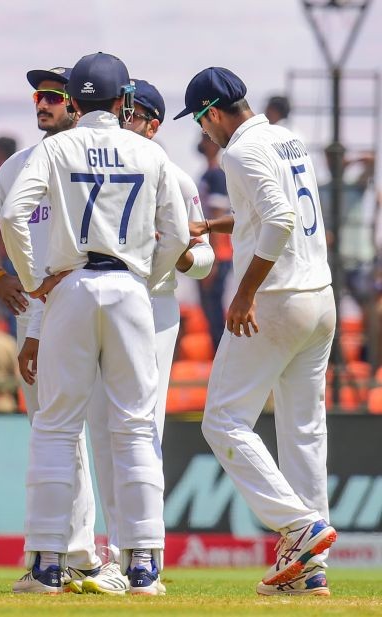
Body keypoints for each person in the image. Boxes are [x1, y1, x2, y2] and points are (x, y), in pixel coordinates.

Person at [0, 51, 189, 595]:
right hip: (130, 288)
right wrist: (146, 279)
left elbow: (13, 214)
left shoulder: (57, 147)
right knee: (133, 428)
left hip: (73, 286)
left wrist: (36, 279)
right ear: (121, 101)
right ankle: (143, 566)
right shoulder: (146, 152)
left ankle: (46, 565)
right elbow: (176, 235)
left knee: (56, 425)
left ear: (76, 103)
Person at [177, 67, 337, 596]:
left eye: (202, 124)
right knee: (303, 430)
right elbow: (277, 212)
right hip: (320, 297)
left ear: (213, 113)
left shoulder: (239, 152)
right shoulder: (286, 137)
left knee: (222, 421)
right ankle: (309, 568)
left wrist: (243, 293)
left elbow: (279, 220)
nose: (205, 135)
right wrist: (213, 225)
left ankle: (298, 526)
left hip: (275, 299)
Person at [76, 79, 215, 595]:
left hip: (152, 306)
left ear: (152, 124)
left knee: (140, 427)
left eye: (133, 114)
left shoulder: (175, 177)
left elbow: (203, 259)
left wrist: (174, 254)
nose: (123, 121)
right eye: (122, 110)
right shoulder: (102, 166)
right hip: (103, 301)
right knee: (100, 425)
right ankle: (118, 551)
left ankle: (145, 556)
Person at [0, 65, 109, 593]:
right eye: (39, 95)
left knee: (95, 435)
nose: (43, 104)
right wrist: (1, 277)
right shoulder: (17, 166)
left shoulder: (97, 159)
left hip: (92, 307)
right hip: (39, 313)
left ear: (76, 105)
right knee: (53, 434)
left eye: (54, 96)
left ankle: (93, 553)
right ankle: (71, 552)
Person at [197, 135, 233, 351]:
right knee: (209, 309)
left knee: (214, 308)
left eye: (206, 138)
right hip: (214, 252)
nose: (202, 142)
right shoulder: (209, 173)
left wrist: (215, 258)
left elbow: (218, 215)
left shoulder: (216, 175)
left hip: (218, 253)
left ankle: (220, 356)